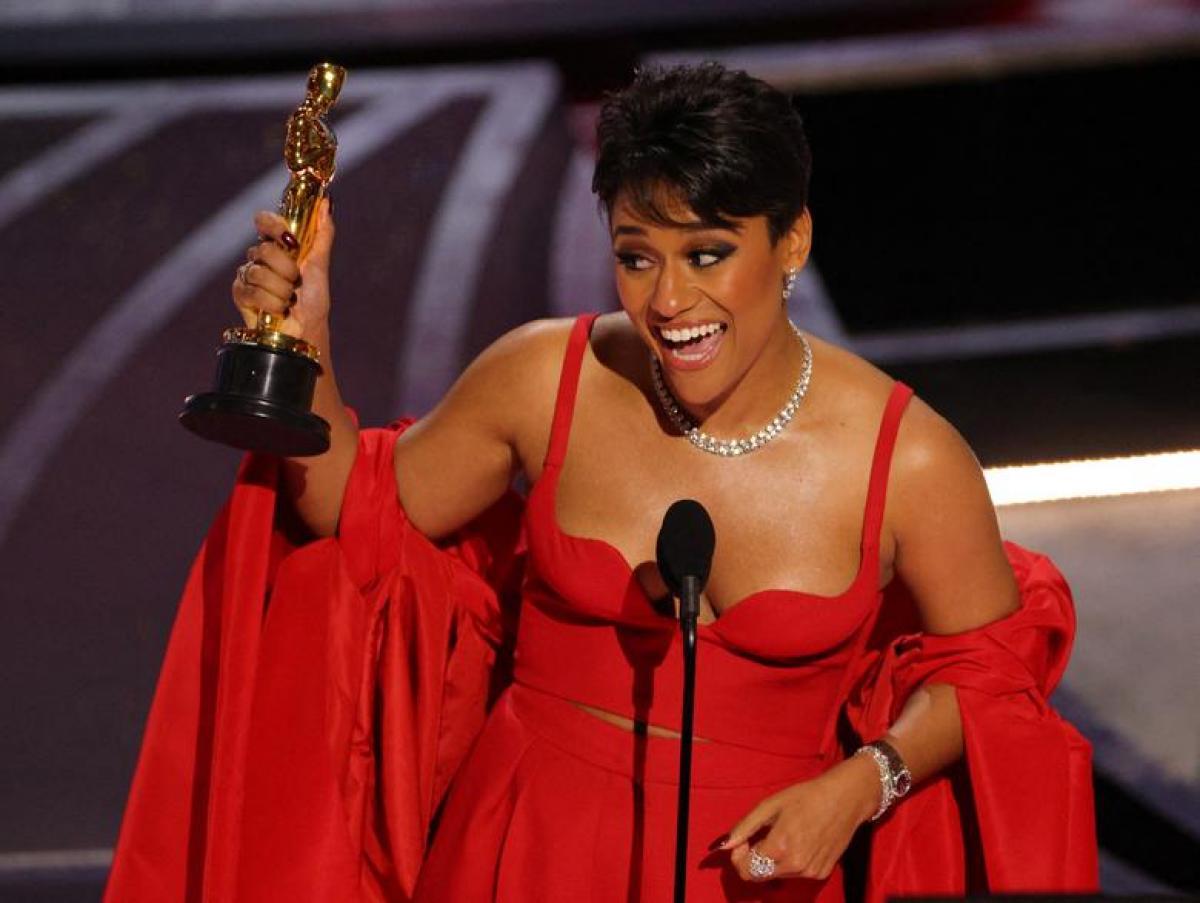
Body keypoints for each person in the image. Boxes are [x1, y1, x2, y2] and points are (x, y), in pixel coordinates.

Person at [105, 63, 1097, 902]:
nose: (670, 300)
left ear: (790, 241)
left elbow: (989, 673)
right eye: (636, 257)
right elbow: (353, 513)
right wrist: (309, 333)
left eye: (708, 254)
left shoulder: (910, 457)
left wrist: (866, 782)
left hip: (758, 872)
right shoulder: (547, 377)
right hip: (518, 849)